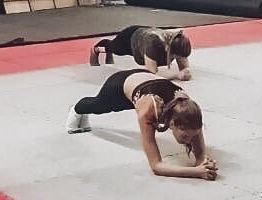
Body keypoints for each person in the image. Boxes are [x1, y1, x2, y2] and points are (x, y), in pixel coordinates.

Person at [66, 69, 216, 180]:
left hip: (146, 78)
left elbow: (200, 155)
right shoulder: (149, 110)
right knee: (97, 106)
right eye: (185, 136)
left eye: (192, 136)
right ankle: (77, 109)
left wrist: (204, 163)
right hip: (119, 85)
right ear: (171, 124)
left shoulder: (188, 109)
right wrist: (195, 172)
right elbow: (156, 166)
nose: (189, 140)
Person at [90, 25, 193, 79]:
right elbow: (151, 73)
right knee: (114, 48)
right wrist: (176, 75)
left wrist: (186, 71)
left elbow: (184, 66)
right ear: (169, 49)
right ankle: (97, 49)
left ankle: (107, 50)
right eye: (176, 56)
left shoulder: (179, 41)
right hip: (129, 37)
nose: (179, 59)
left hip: (143, 35)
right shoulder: (153, 44)